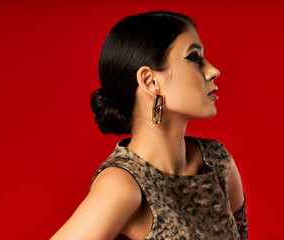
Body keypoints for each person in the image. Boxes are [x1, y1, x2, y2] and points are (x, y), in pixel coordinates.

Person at [50, 10, 248, 240]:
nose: (213, 71)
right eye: (194, 58)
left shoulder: (218, 161)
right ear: (150, 81)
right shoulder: (123, 184)